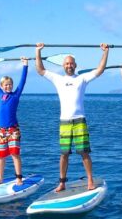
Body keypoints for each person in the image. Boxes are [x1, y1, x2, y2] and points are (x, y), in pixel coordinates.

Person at [36, 42, 109, 192]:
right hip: (64, 122)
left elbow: (100, 70)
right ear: (63, 66)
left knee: (84, 153)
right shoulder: (57, 79)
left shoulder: (82, 78)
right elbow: (40, 70)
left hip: (79, 120)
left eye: (71, 63)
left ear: (75, 65)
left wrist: (105, 52)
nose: (69, 65)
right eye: (67, 63)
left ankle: (90, 180)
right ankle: (62, 182)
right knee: (64, 154)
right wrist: (38, 51)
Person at [0, 57, 29, 185]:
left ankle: (19, 178)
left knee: (15, 154)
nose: (8, 86)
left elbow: (22, 81)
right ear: (2, 86)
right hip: (1, 130)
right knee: (0, 156)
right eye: (6, 85)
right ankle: (0, 178)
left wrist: (25, 65)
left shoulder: (15, 95)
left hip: (13, 130)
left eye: (10, 84)